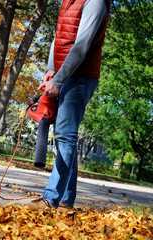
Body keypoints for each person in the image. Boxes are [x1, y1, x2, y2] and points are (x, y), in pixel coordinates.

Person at [26, 0, 110, 210]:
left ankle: (51, 199)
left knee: (65, 135)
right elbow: (60, 37)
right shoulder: (68, 1)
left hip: (81, 76)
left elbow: (81, 46)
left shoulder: (96, 2)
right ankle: (65, 201)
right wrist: (50, 71)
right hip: (63, 74)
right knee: (64, 136)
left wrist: (59, 79)